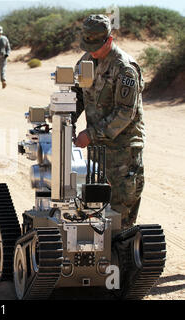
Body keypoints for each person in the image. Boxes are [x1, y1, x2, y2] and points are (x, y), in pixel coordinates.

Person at [72, 14, 145, 230]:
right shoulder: (86, 62)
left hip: (122, 150)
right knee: (97, 208)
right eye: (88, 45)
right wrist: (66, 119)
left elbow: (124, 114)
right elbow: (77, 95)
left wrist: (90, 134)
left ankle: (123, 261)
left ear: (109, 40)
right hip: (98, 150)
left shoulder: (125, 69)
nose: (92, 51)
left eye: (96, 46)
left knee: (121, 216)